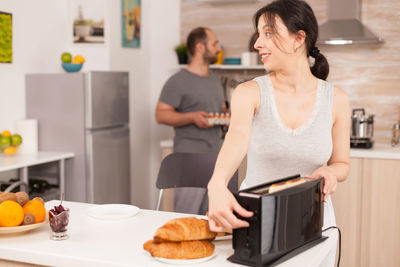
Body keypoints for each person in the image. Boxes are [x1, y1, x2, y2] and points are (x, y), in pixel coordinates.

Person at [207, 0, 350, 266]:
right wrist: (216, 183)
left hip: (314, 221)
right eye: (259, 34)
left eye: (269, 33)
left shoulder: (337, 100)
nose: (257, 43)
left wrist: (331, 172)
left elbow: (342, 164)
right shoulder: (249, 92)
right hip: (256, 219)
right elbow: (236, 139)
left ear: (298, 38)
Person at [156, 27, 226, 214]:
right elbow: (161, 114)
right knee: (187, 213)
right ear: (200, 47)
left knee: (210, 217)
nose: (219, 48)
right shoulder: (178, 81)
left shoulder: (214, 79)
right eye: (215, 43)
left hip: (215, 157)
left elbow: (221, 110)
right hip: (190, 157)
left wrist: (227, 118)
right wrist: (192, 117)